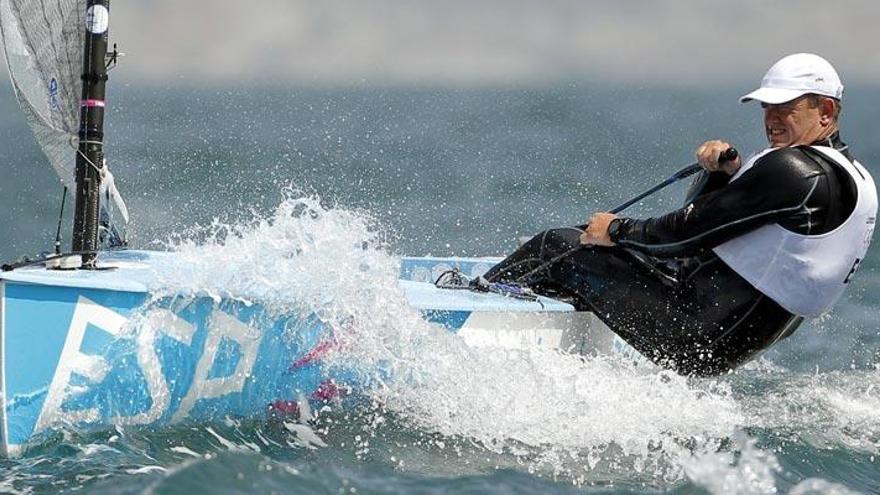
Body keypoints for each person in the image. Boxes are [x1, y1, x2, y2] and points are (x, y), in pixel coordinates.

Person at [482, 53, 877, 376]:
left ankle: (465, 312)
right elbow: (746, 227)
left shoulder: (794, 169)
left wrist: (616, 229)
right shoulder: (854, 177)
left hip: (694, 334)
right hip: (723, 337)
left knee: (558, 246)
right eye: (767, 106)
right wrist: (727, 174)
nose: (771, 118)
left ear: (825, 110)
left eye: (786, 107)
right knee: (587, 256)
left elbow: (683, 234)